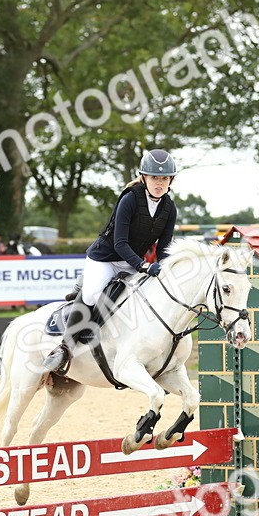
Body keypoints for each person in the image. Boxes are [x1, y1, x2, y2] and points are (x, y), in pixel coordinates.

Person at [42, 149, 179, 373]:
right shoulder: (130, 199)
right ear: (144, 177)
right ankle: (64, 348)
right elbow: (120, 243)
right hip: (105, 258)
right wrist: (144, 266)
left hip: (131, 262)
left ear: (170, 180)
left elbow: (164, 248)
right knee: (91, 294)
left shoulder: (169, 208)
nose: (159, 183)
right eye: (155, 177)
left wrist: (164, 269)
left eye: (164, 178)